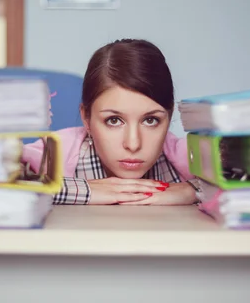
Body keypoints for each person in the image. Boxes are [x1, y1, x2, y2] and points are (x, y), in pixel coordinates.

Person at [21, 38, 216, 205]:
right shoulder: (58, 150)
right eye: (113, 120)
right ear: (86, 118)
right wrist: (84, 190)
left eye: (150, 120)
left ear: (170, 116)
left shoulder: (183, 155)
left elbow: (241, 174)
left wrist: (193, 189)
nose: (133, 144)